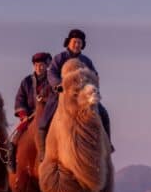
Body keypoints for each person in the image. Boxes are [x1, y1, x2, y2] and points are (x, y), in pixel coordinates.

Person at [36, 28, 112, 161]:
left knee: (104, 114)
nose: (77, 45)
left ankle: (107, 145)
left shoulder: (86, 61)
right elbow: (51, 73)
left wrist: (94, 83)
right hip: (63, 94)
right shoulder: (60, 58)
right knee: (44, 122)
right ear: (68, 43)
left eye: (79, 42)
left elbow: (94, 75)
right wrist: (59, 85)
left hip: (84, 97)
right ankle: (43, 153)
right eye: (74, 42)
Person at [6, 52, 52, 173]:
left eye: (41, 65)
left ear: (47, 66)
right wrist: (23, 115)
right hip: (30, 116)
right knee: (15, 137)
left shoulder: (52, 81)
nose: (39, 68)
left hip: (48, 114)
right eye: (36, 65)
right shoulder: (26, 82)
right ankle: (11, 161)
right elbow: (20, 99)